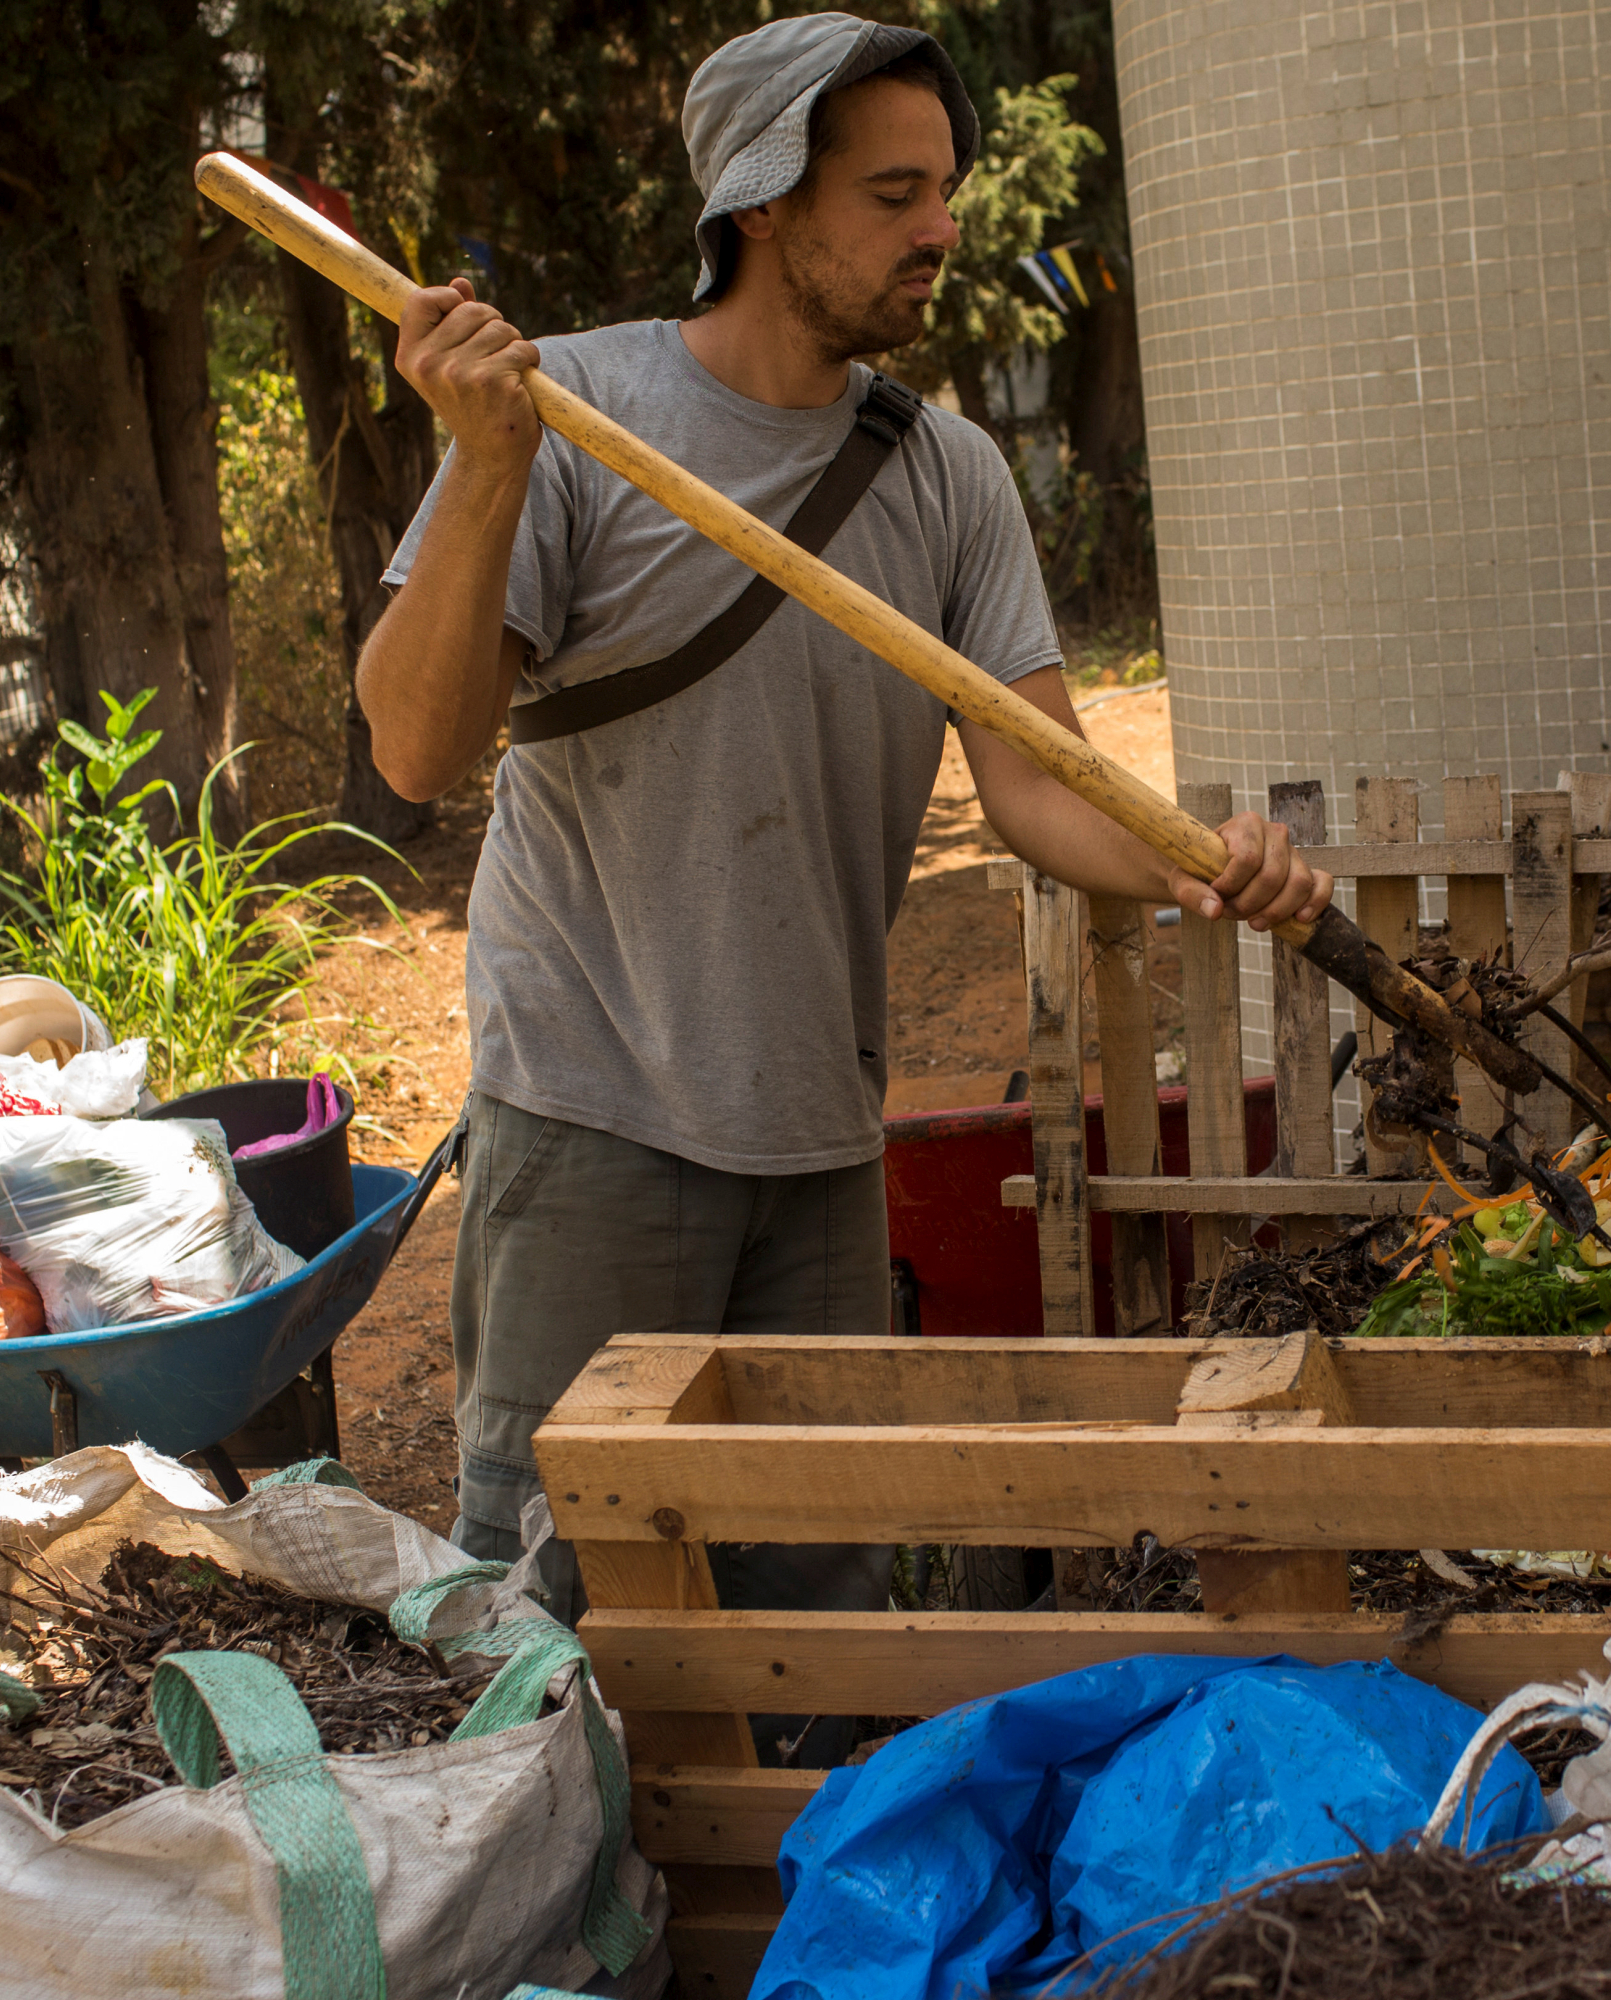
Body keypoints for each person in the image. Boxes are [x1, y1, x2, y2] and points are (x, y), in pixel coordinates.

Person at [360, 12, 1333, 1753]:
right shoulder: (564, 414)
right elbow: (419, 750)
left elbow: (1040, 786)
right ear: (756, 202)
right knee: (546, 1622)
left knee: (808, 1611)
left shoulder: (945, 473)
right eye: (895, 192)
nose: (944, 227)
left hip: (818, 1132)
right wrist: (493, 463)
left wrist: (1200, 869)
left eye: (943, 189)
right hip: (593, 1111)